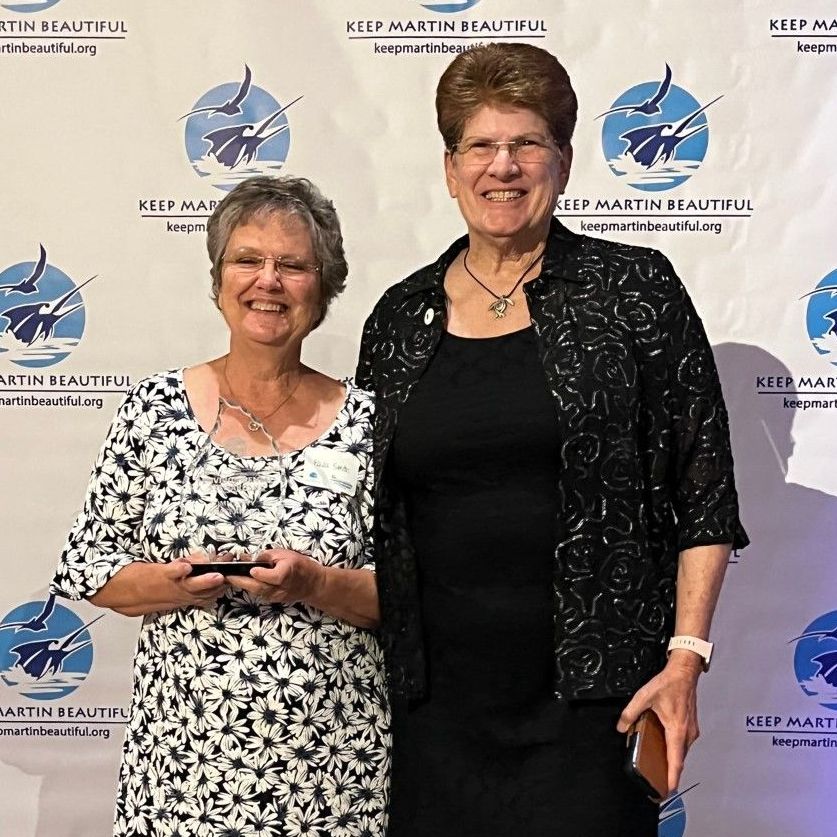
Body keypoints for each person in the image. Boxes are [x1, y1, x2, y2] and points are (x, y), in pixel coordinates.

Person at [356, 43, 747, 836]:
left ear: (563, 162)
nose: (502, 166)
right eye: (479, 145)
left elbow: (703, 494)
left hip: (595, 703)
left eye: (526, 143)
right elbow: (364, 511)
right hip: (433, 708)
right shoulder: (398, 317)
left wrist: (685, 658)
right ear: (449, 168)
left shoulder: (634, 289)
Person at [50, 176, 390, 837]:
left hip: (331, 777)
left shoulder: (369, 423)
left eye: (293, 265)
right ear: (218, 278)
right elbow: (89, 568)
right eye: (247, 260)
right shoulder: (153, 410)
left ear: (323, 286)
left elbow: (407, 593)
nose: (269, 281)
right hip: (181, 775)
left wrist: (315, 583)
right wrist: (171, 583)